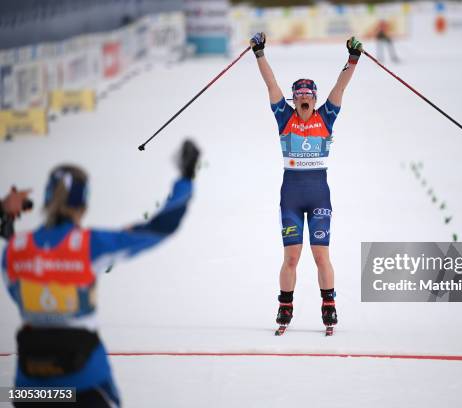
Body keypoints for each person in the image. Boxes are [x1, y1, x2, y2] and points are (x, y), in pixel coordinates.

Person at [1, 140, 200, 407]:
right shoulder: (88, 245)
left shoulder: (15, 249)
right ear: (83, 205)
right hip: (85, 383)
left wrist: (4, 215)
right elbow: (160, 228)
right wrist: (185, 178)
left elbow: (20, 286)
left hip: (28, 388)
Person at [249, 32, 362, 330]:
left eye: (307, 96)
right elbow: (271, 84)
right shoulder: (284, 117)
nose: (302, 100)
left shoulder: (326, 117)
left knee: (321, 256)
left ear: (313, 98)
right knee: (291, 258)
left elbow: (341, 86)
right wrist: (259, 53)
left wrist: (353, 58)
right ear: (294, 99)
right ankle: (285, 306)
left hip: (319, 196)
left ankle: (329, 305)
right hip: (291, 196)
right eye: (297, 96)